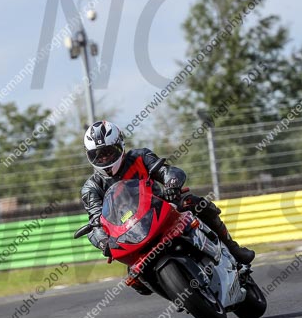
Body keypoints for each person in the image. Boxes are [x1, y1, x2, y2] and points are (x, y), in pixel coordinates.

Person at [80, 121, 255, 294]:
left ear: (120, 146)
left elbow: (167, 171)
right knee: (136, 281)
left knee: (195, 203)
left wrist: (171, 184)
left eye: (108, 153)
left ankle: (233, 249)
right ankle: (176, 290)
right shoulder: (91, 188)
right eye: (98, 155)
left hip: (162, 207)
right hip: (129, 231)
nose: (104, 159)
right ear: (90, 157)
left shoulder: (140, 156)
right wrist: (103, 241)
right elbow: (96, 220)